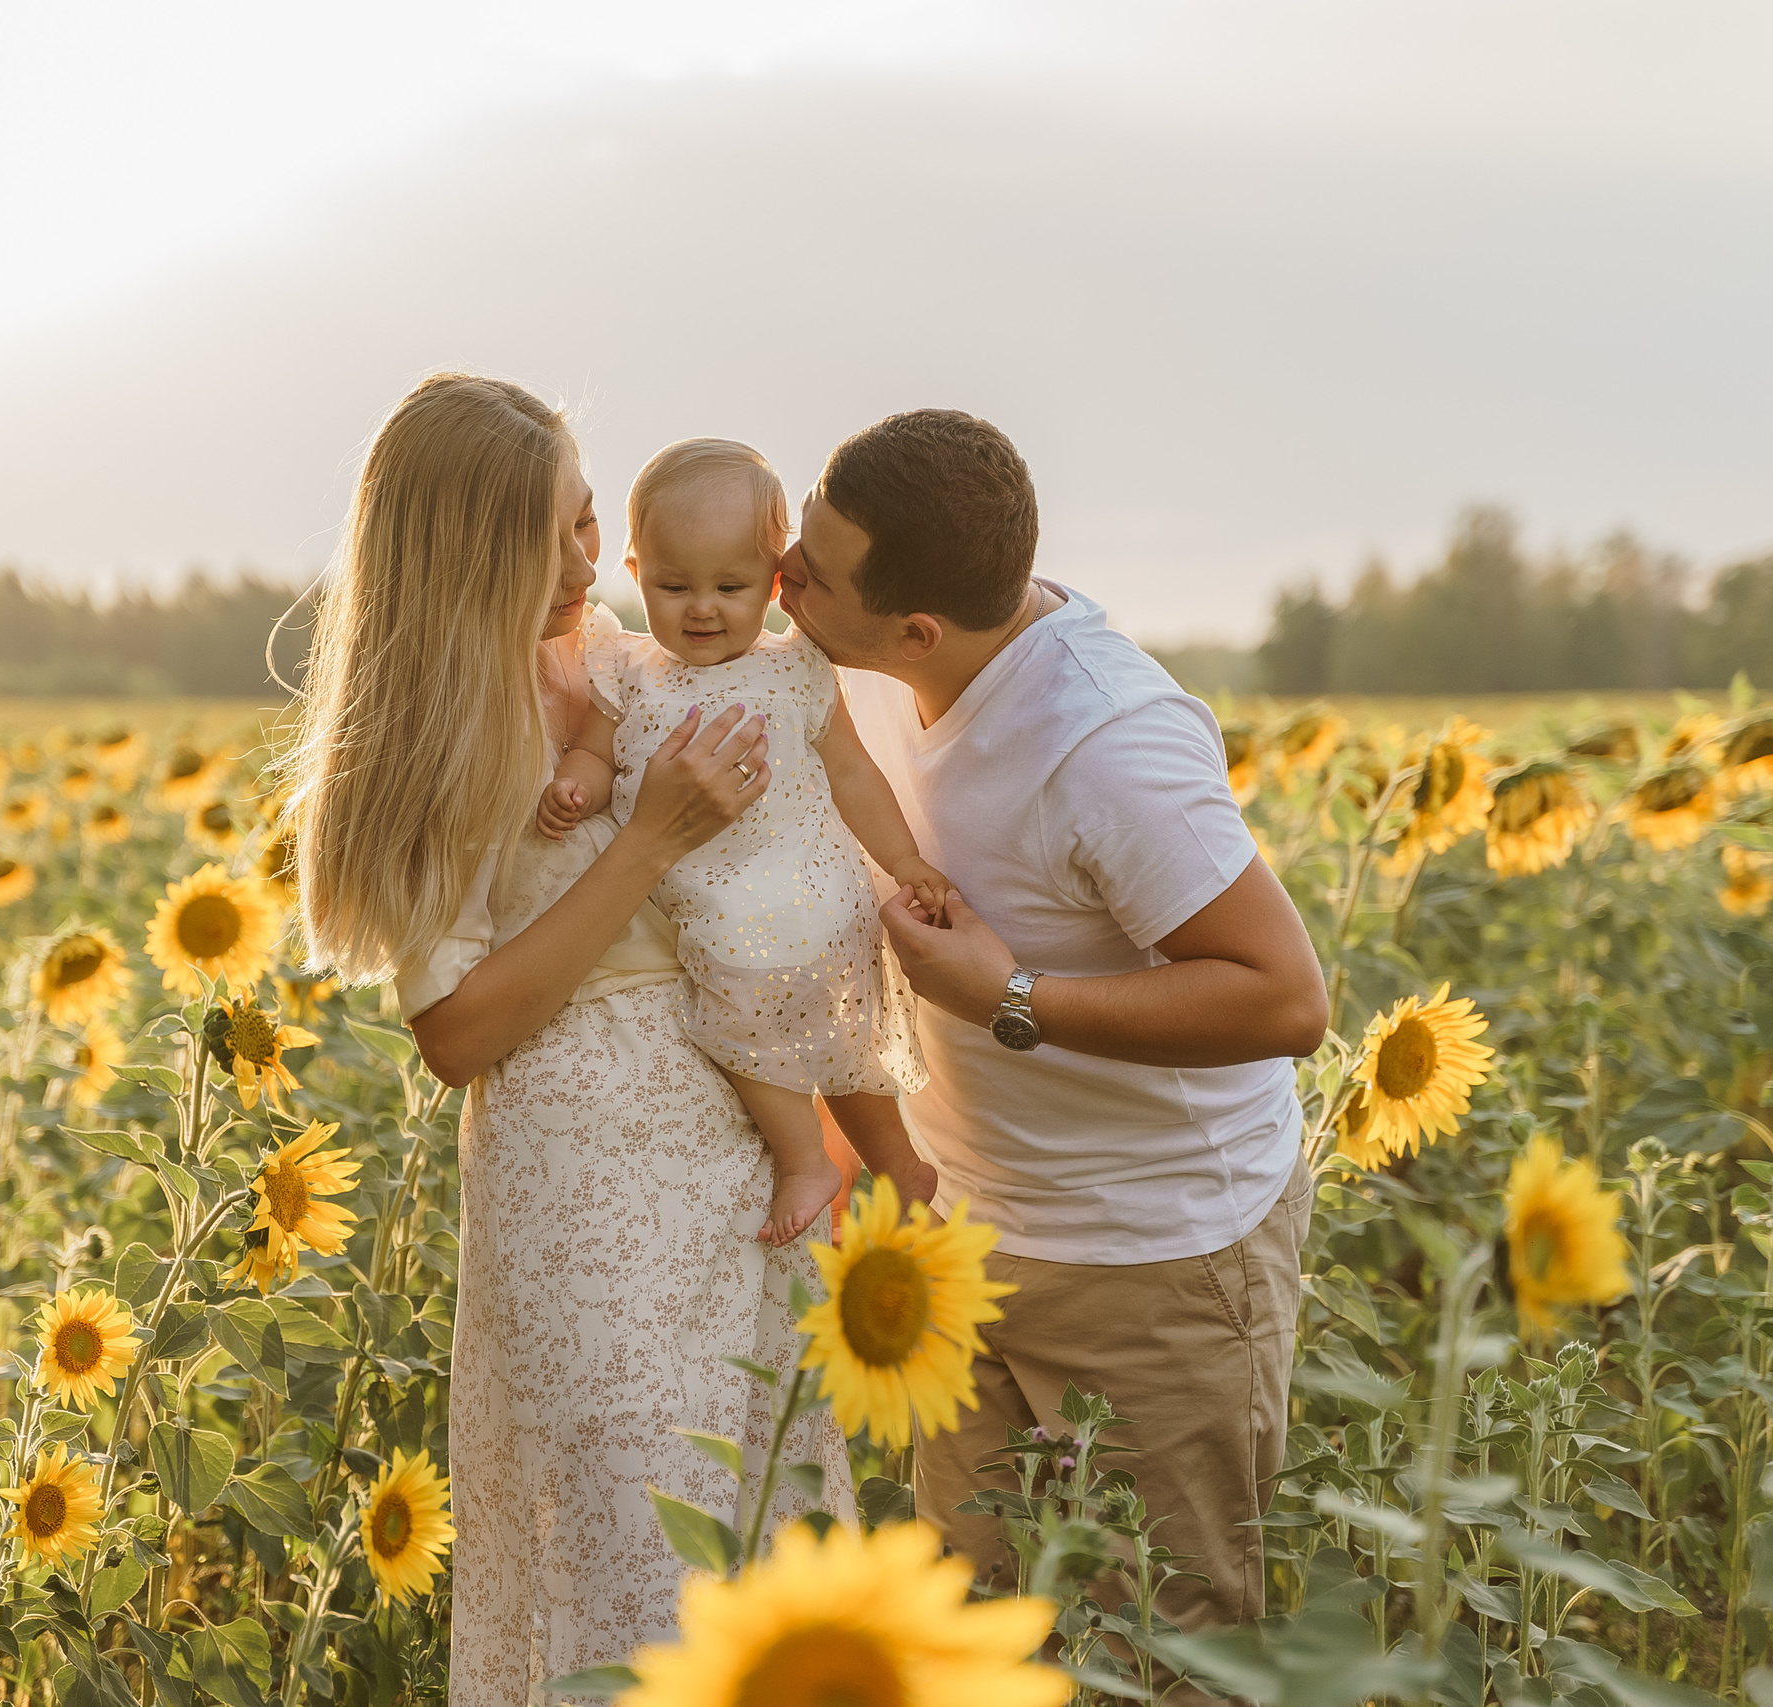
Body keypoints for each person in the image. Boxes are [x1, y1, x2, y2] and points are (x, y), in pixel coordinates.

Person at [289, 375, 855, 1703]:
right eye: (545, 538)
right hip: (579, 1166)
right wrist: (653, 830)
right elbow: (458, 1030)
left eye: (590, 524)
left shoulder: (610, 656)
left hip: (736, 1138)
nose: (583, 564)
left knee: (765, 1516)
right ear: (463, 550)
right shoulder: (425, 734)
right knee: (633, 1538)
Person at [775, 407, 1330, 1657]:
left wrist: (1009, 997)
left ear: (915, 629)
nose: (781, 576)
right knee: (969, 1644)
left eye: (809, 568)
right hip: (965, 1238)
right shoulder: (852, 669)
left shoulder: (1107, 739)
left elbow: (1284, 997)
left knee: (1167, 1648)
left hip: (1153, 1258)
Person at [540, 437, 947, 1246]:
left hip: (814, 891)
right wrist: (577, 784)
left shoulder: (795, 670)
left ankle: (853, 1158)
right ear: (632, 569)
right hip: (721, 908)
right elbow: (592, 744)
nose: (702, 608)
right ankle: (847, 1160)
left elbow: (856, 776)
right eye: (673, 585)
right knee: (764, 1029)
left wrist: (903, 864)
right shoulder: (631, 672)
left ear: (775, 577)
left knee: (835, 1038)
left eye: (731, 586)